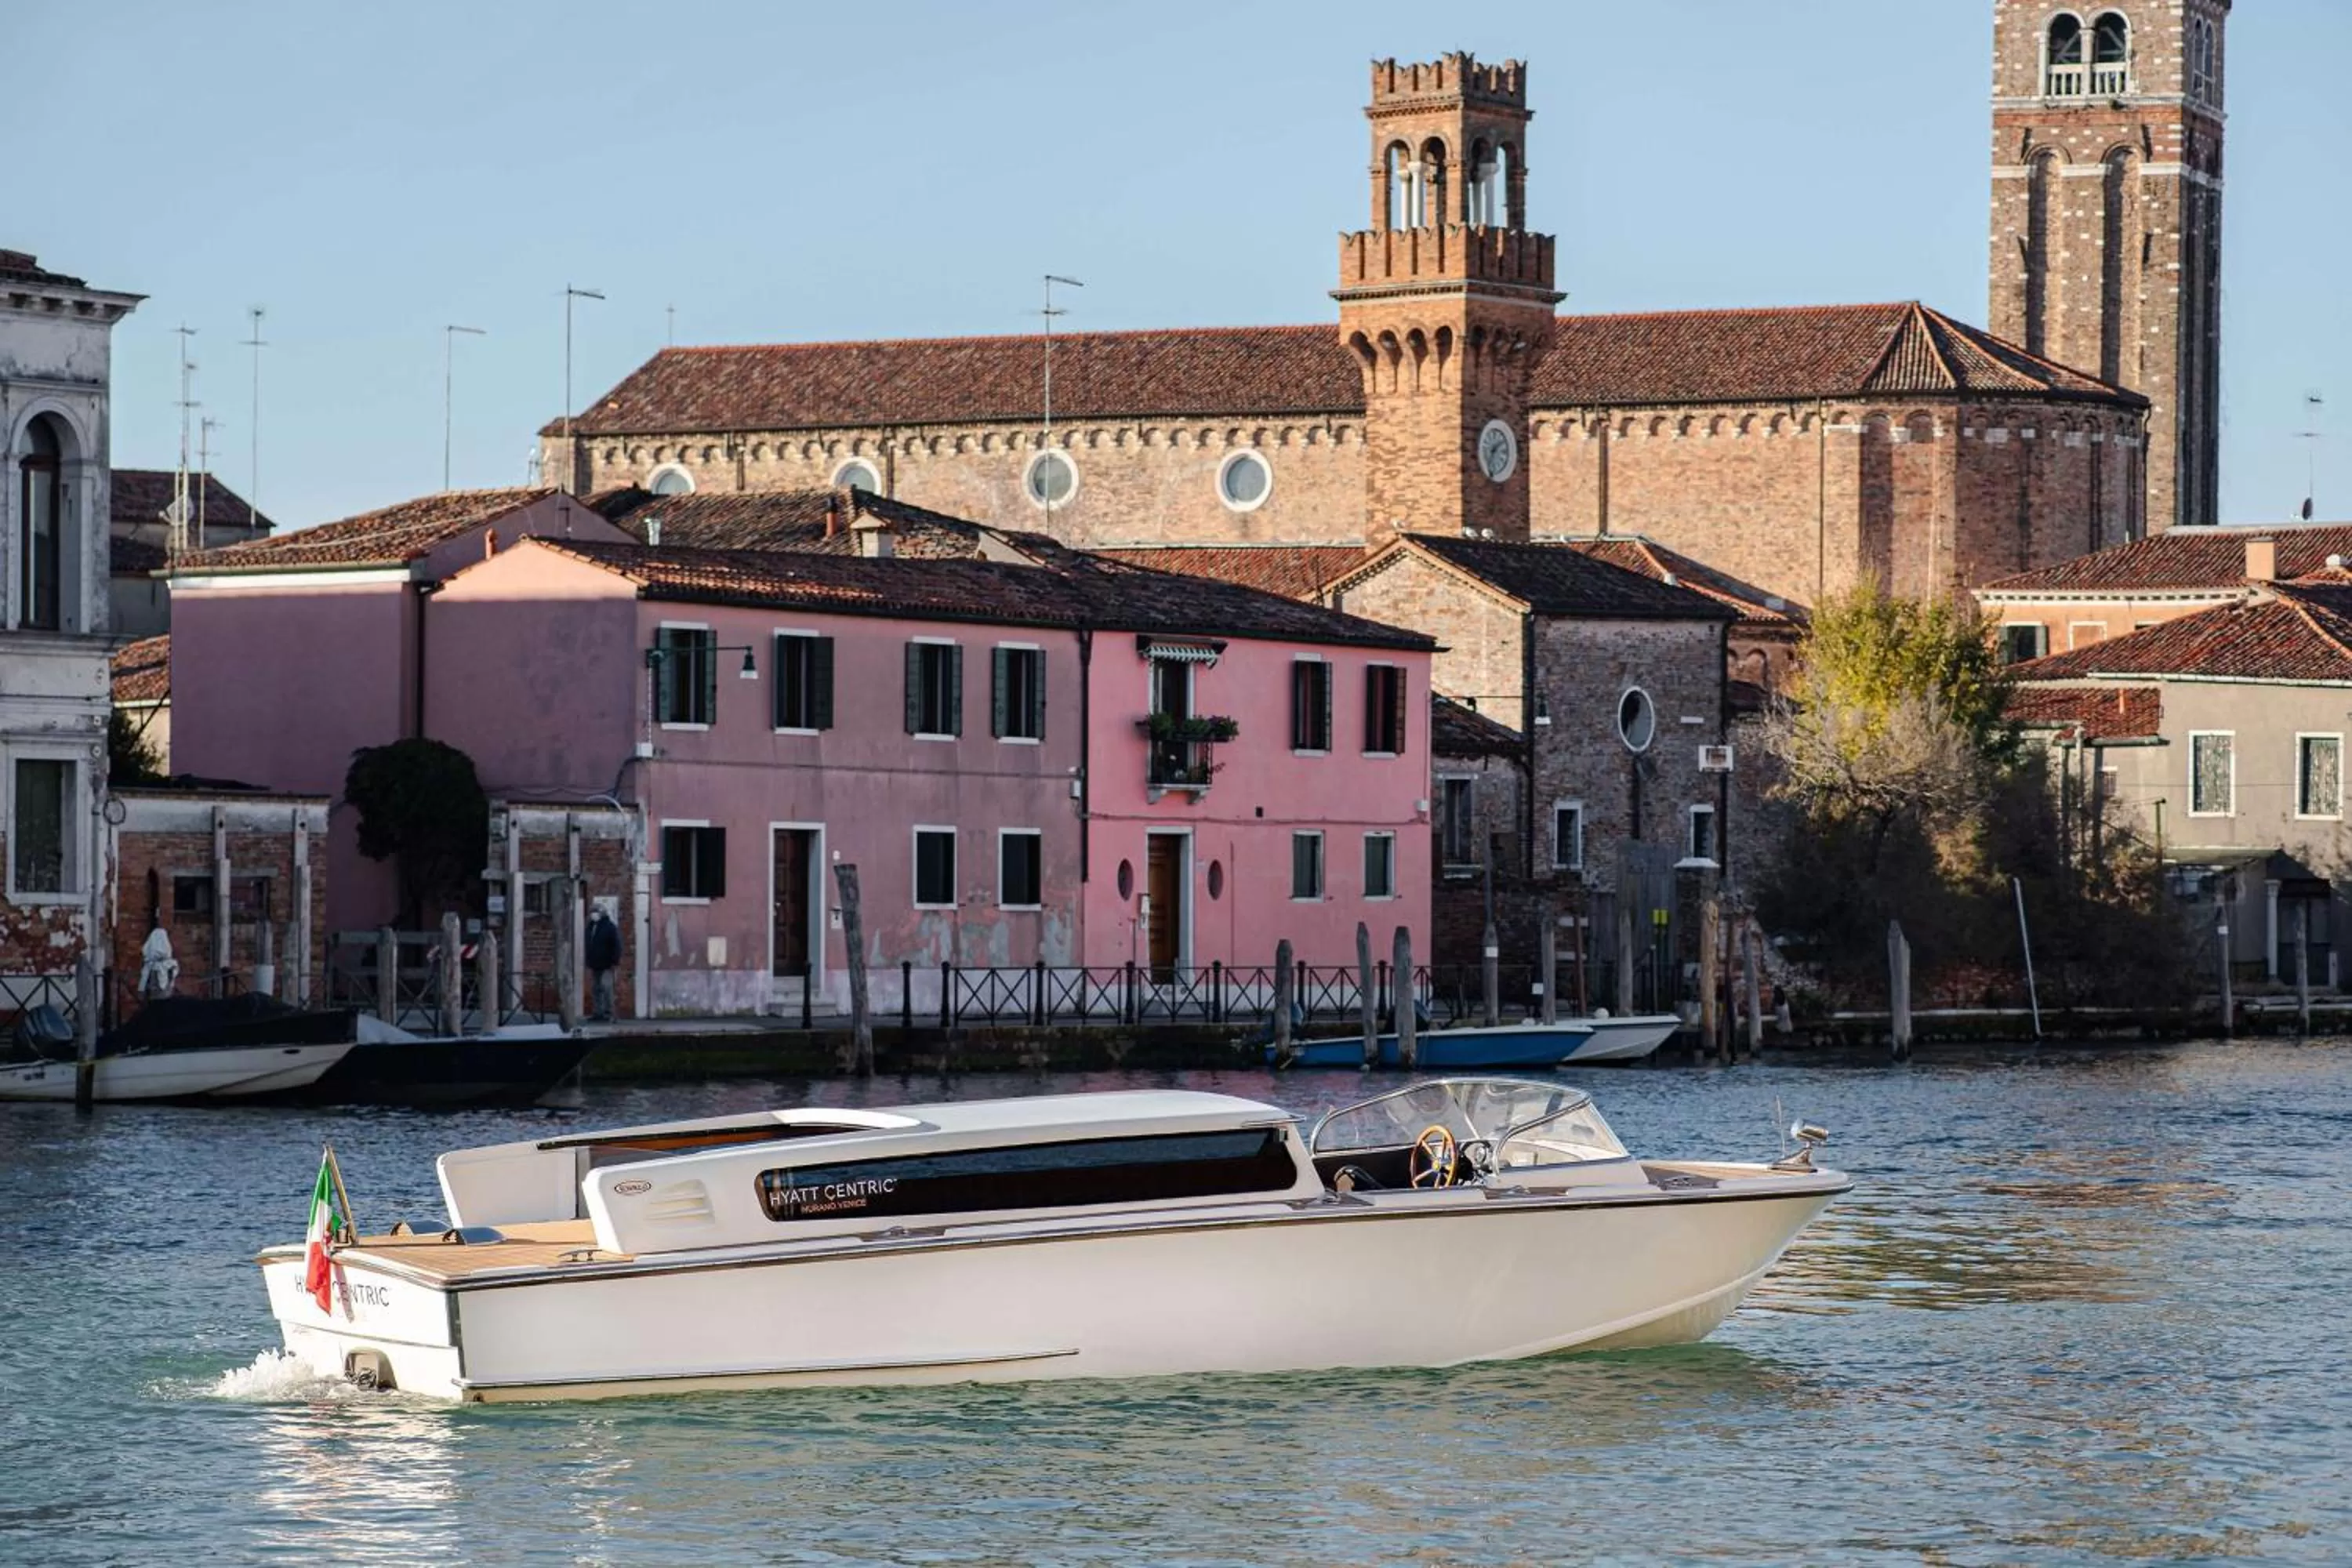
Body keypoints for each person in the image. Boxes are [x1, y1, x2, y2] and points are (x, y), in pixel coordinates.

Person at [585, 907, 622, 1022]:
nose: (593, 915)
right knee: (596, 989)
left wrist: (614, 961)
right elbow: (589, 945)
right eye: (592, 912)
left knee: (606, 988)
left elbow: (616, 945)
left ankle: (609, 1013)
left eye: (595, 912)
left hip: (607, 963)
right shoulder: (591, 926)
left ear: (602, 913)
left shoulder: (609, 927)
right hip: (595, 963)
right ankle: (598, 1012)